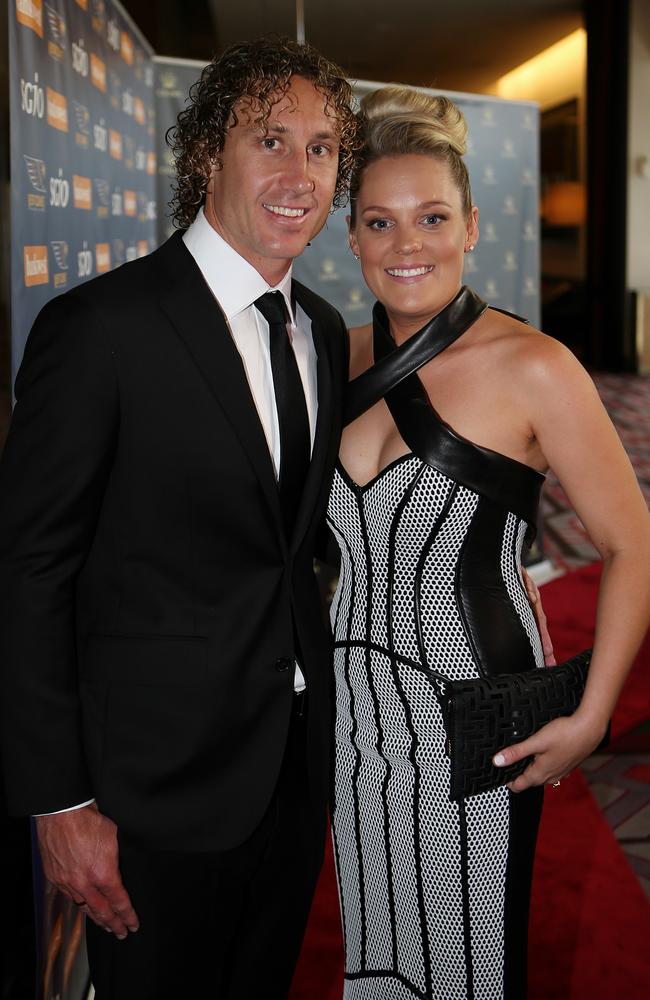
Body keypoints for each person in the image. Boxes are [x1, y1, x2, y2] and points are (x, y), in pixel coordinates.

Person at [0, 36, 359, 999]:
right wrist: (60, 802)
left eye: (322, 148)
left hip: (292, 768)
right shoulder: (101, 330)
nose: (299, 174)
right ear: (208, 154)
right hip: (149, 796)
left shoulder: (321, 328)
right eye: (269, 140)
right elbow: (30, 575)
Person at [326, 86, 650, 999]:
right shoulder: (330, 355)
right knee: (376, 952)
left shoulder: (536, 368)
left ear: (471, 227)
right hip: (355, 713)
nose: (406, 245)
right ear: (350, 237)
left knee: (464, 963)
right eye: (380, 223)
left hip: (473, 712)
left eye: (431, 217)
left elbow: (634, 547)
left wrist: (592, 718)